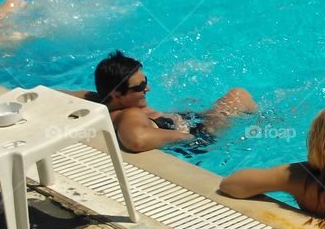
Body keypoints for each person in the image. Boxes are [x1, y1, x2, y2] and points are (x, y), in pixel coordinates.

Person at [67, 50, 257, 153]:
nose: (147, 89)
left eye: (145, 81)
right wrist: (190, 138)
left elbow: (49, 94)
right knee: (239, 97)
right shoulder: (129, 114)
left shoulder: (99, 98)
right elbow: (137, 140)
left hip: (188, 123)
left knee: (238, 95)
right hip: (201, 136)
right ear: (117, 95)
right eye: (140, 87)